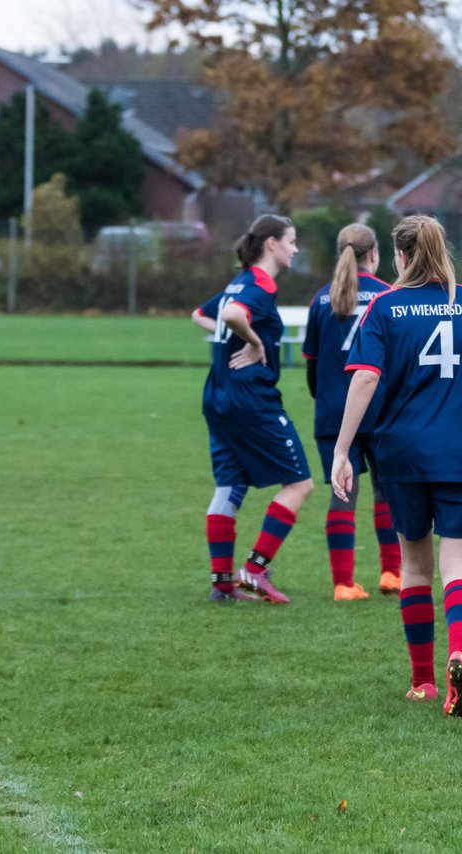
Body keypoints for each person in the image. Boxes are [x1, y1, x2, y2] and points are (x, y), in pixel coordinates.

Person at [332, 214, 462, 718]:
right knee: (459, 569)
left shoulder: (386, 307)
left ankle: (424, 682)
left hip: (404, 455)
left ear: (400, 255)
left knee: (414, 568)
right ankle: (460, 656)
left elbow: (366, 380)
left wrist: (343, 449)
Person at [191, 214, 313, 604]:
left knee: (230, 484)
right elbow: (230, 316)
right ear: (272, 243)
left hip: (218, 395)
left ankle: (222, 583)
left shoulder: (237, 283)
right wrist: (255, 342)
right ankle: (256, 571)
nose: (296, 249)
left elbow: (200, 315)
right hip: (250, 398)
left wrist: (233, 333)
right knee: (299, 483)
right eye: (292, 241)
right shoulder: (259, 283)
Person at [302, 223, 401, 601]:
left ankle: (343, 583)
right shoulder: (389, 296)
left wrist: (325, 400)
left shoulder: (321, 300)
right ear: (374, 254)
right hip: (380, 409)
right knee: (386, 492)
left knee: (342, 494)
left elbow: (312, 366)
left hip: (332, 411)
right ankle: (392, 573)